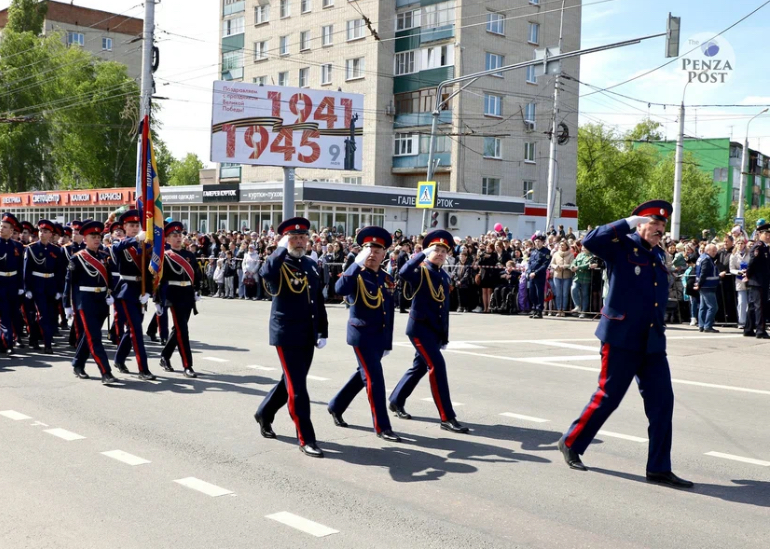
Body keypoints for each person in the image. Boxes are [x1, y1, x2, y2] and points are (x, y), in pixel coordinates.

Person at [557, 200, 693, 489]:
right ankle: (571, 442)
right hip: (621, 338)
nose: (659, 229)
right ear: (639, 223)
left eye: (662, 225)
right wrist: (629, 221)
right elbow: (591, 240)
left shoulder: (657, 255)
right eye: (653, 223)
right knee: (608, 396)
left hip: (652, 342)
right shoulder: (621, 247)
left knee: (662, 404)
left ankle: (658, 467)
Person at [254, 217, 329, 458]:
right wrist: (279, 248)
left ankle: (264, 413)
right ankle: (306, 437)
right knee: (298, 386)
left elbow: (317, 300)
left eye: (302, 237)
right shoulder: (278, 262)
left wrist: (322, 329)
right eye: (293, 238)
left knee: (291, 380)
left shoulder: (310, 264)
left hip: (307, 331)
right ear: (286, 240)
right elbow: (265, 273)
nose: (299, 241)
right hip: (286, 333)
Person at [388, 229, 469, 434]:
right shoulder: (421, 271)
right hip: (419, 328)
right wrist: (421, 255)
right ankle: (446, 416)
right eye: (436, 249)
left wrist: (444, 336)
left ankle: (396, 400)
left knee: (420, 367)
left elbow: (444, 309)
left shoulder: (443, 275)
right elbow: (404, 272)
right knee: (437, 366)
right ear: (428, 251)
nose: (440, 253)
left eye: (443, 250)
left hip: (434, 331)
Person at [327, 227, 401, 442]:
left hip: (379, 336)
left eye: (378, 250)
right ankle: (382, 426)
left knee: (363, 375)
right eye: (369, 249)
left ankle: (336, 405)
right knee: (375, 379)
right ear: (362, 252)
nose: (373, 254)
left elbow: (388, 312)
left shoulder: (386, 278)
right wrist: (355, 264)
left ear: (384, 254)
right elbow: (340, 289)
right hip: (361, 335)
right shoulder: (355, 273)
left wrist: (387, 342)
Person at [63, 221, 118, 385]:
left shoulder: (103, 256)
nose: (96, 239)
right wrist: (67, 304)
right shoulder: (77, 258)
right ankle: (105, 372)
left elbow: (110, 278)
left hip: (101, 300)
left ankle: (78, 363)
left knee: (88, 336)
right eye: (92, 236)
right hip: (85, 302)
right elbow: (69, 282)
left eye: (98, 236)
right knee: (95, 337)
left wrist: (111, 293)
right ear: (85, 238)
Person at [111, 210, 156, 380]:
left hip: (141, 290)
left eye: (137, 225)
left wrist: (150, 292)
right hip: (126, 291)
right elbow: (116, 248)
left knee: (132, 329)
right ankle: (143, 369)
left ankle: (119, 358)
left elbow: (150, 270)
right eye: (131, 226)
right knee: (137, 330)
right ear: (124, 227)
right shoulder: (120, 244)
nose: (134, 228)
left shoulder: (144, 244)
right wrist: (136, 239)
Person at [158, 222, 203, 378]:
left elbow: (196, 274)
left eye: (179, 235)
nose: (178, 238)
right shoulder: (164, 255)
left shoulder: (189, 255)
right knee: (183, 331)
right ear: (168, 239)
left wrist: (197, 289)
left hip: (188, 294)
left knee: (178, 329)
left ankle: (165, 355)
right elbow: (159, 279)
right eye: (174, 236)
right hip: (173, 295)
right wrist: (158, 299)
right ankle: (187, 365)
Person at [23, 220, 65, 354]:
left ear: (51, 234)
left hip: (51, 285)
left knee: (50, 315)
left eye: (45, 232)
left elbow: (60, 272)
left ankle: (38, 338)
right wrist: (27, 288)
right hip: (37, 284)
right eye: (40, 231)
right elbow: (27, 270)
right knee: (41, 315)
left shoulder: (56, 250)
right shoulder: (31, 248)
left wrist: (59, 289)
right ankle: (47, 344)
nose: (42, 234)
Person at [0, 213, 25, 354]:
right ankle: (8, 343)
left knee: (13, 313)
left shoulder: (18, 246)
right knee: (4, 314)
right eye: (1, 226)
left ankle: (10, 340)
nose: (1, 229)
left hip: (13, 284)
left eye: (5, 227)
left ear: (11, 231)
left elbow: (21, 269)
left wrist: (21, 286)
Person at [744, 222, 770, 339]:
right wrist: (748, 275)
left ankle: (748, 329)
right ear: (760, 234)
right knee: (760, 306)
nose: (768, 236)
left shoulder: (764, 247)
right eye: (766, 234)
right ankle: (760, 330)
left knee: (753, 306)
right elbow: (752, 263)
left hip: (760, 280)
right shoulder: (759, 246)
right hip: (758, 281)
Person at [694, 243, 720, 333]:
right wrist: (699, 284)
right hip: (707, 286)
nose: (715, 252)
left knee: (703, 307)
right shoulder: (707, 259)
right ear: (707, 250)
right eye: (713, 251)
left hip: (704, 286)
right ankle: (707, 326)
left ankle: (701, 325)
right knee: (713, 307)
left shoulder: (702, 257)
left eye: (715, 251)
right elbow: (703, 273)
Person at [526, 232, 550, 319]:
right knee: (531, 293)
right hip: (531, 275)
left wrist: (535, 273)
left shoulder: (546, 252)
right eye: (536, 241)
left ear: (543, 242)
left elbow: (545, 265)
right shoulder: (533, 251)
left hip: (539, 275)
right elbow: (529, 262)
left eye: (539, 241)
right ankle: (534, 308)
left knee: (539, 293)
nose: (537, 243)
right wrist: (528, 272)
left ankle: (539, 310)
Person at [729, 238, 750, 329]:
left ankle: (750, 321)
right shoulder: (733, 255)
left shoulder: (749, 253)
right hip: (740, 280)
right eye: (738, 243)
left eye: (742, 243)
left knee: (750, 303)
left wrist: (748, 271)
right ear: (736, 244)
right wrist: (739, 272)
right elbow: (731, 269)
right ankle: (742, 321)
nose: (740, 245)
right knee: (741, 302)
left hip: (749, 279)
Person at [550, 240, 574, 317]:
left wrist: (565, 266)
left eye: (563, 245)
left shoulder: (570, 254)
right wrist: (556, 266)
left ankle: (563, 309)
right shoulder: (556, 254)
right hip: (557, 276)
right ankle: (558, 310)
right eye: (560, 245)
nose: (561, 246)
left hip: (567, 276)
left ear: (566, 246)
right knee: (558, 293)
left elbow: (572, 264)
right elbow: (552, 263)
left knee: (565, 294)